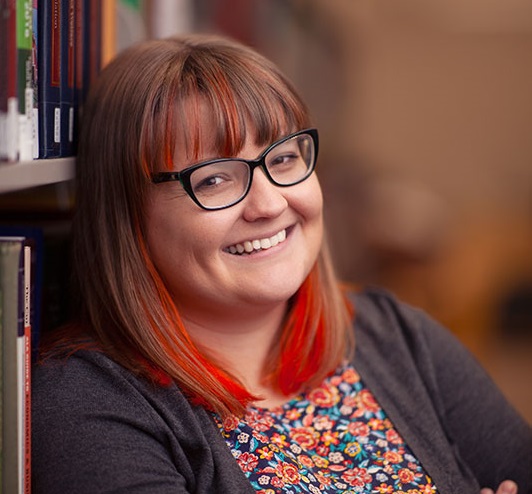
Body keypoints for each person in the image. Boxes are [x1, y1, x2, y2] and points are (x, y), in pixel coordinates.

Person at [32, 34, 530, 494]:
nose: (270, 204)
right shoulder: (84, 403)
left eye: (284, 158)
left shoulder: (395, 334)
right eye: (213, 179)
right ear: (127, 215)